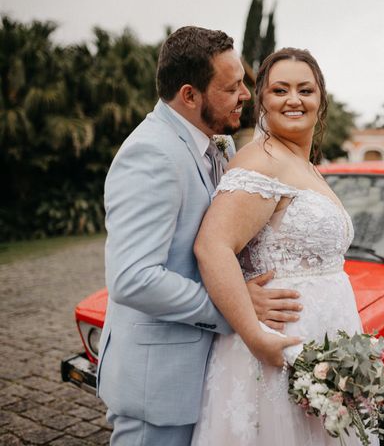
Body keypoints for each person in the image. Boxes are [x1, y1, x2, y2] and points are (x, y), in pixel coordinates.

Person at [98, 27, 302, 446]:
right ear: (189, 96)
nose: (247, 95)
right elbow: (133, 278)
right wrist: (236, 303)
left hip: (206, 377)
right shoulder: (151, 154)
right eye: (232, 87)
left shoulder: (217, 146)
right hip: (159, 386)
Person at [190, 48, 379, 445]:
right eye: (280, 89)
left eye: (305, 89)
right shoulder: (261, 162)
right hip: (277, 348)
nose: (294, 99)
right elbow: (212, 246)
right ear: (262, 101)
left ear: (320, 99)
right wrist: (255, 336)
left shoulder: (306, 165)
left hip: (325, 342)